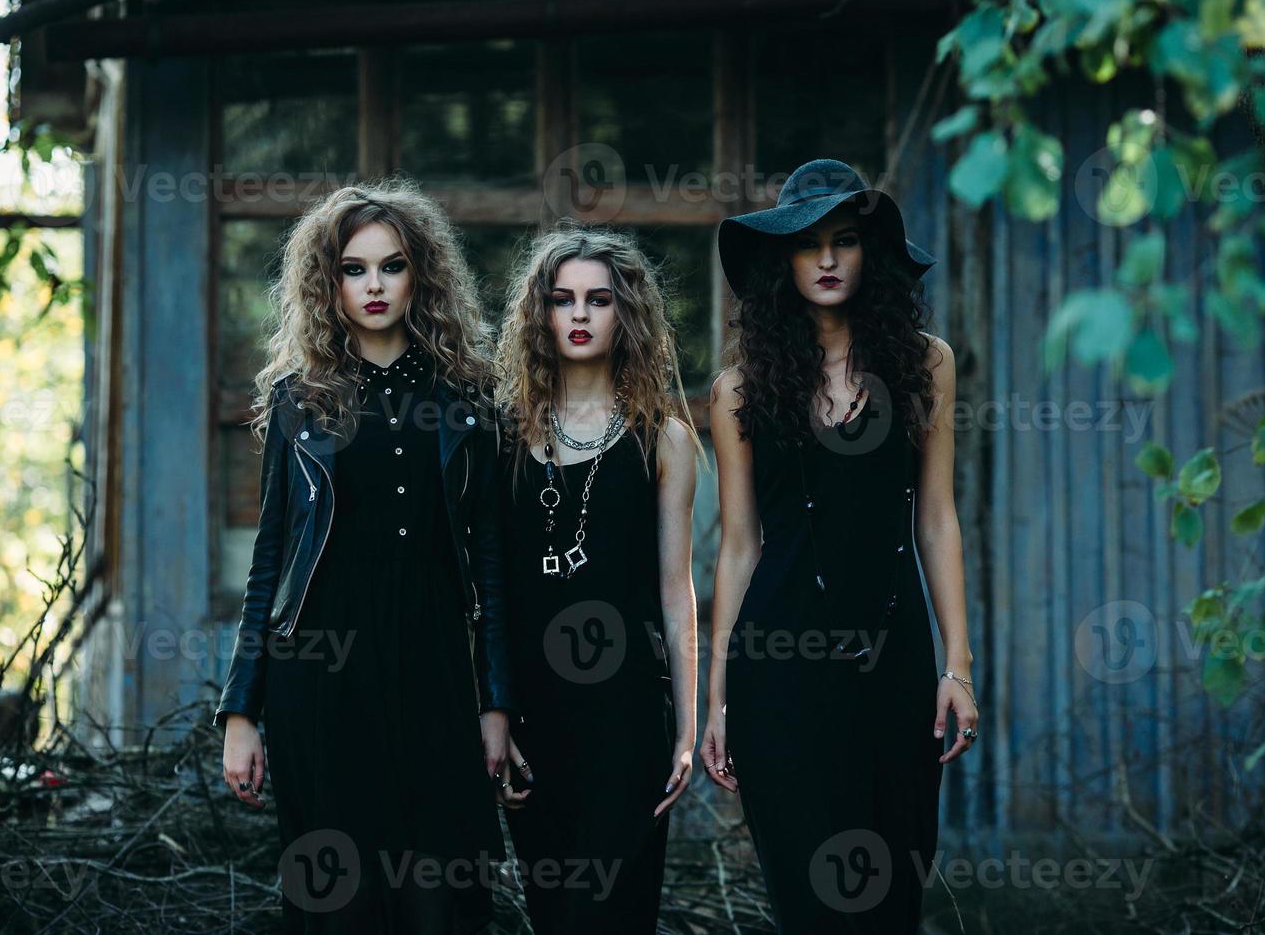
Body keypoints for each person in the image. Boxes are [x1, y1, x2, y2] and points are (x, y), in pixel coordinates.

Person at [215, 179, 516, 933]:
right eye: (355, 268)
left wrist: (496, 700)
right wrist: (240, 711)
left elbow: (490, 565)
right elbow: (272, 560)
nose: (374, 285)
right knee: (339, 902)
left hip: (436, 665)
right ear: (329, 281)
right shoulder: (300, 400)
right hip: (322, 672)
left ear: (422, 275)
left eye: (392, 266)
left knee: (442, 901)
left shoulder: (470, 399)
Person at [699, 159, 979, 933]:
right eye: (807, 244)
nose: (826, 260)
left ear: (870, 253)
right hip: (778, 670)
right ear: (780, 261)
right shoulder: (739, 389)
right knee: (808, 897)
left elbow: (937, 520)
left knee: (895, 885)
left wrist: (957, 666)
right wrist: (717, 698)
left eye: (845, 241)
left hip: (894, 661)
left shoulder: (927, 362)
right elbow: (738, 546)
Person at [493, 223, 701, 932]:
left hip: (628, 715)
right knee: (555, 912)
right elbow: (483, 593)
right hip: (533, 716)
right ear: (540, 314)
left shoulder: (664, 438)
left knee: (613, 911)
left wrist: (688, 724)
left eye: (599, 300)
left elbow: (678, 591)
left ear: (627, 313)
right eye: (562, 299)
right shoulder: (501, 436)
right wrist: (492, 711)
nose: (579, 315)